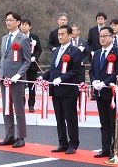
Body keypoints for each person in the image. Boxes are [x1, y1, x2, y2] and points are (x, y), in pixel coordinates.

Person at [41, 25, 82, 155]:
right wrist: (44, 76)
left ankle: (73, 143)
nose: (60, 36)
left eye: (63, 34)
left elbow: (76, 70)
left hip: (68, 90)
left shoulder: (75, 51)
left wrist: (62, 78)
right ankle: (62, 142)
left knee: (70, 118)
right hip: (56, 89)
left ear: (70, 35)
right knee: (59, 118)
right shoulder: (57, 50)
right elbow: (53, 69)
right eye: (59, 34)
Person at [0, 11, 31, 148]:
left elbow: (27, 61)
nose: (8, 22)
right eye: (6, 20)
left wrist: (18, 75)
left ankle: (21, 137)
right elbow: (2, 57)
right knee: (6, 108)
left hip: (16, 80)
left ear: (18, 22)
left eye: (10, 20)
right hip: (4, 78)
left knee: (19, 109)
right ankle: (9, 135)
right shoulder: (4, 38)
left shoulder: (23, 39)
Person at [89, 26, 118, 159]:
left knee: (114, 124)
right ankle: (105, 148)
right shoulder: (97, 53)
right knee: (104, 123)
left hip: (113, 94)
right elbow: (92, 71)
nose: (102, 38)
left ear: (112, 37)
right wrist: (94, 82)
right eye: (100, 36)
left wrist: (104, 83)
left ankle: (115, 149)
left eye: (105, 35)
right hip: (100, 94)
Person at [20, 18, 42, 112]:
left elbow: (39, 49)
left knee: (31, 86)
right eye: (22, 24)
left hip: (32, 65)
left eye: (26, 25)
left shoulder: (35, 37)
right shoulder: (18, 36)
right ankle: (21, 103)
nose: (24, 26)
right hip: (21, 65)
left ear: (29, 26)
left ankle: (31, 105)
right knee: (21, 85)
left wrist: (35, 57)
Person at [87, 12, 107, 100]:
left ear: (105, 20)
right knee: (94, 72)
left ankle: (104, 90)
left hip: (105, 54)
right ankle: (94, 92)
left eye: (101, 19)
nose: (100, 20)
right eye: (98, 19)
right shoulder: (92, 30)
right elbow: (89, 43)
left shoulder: (108, 30)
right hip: (95, 55)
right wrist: (91, 51)